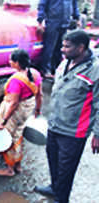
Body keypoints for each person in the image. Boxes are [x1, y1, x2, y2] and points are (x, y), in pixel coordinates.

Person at [34, 30, 99, 203]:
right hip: (55, 123)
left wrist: (97, 134)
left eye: (67, 46)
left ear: (81, 47)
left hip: (74, 131)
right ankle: (54, 188)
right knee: (53, 159)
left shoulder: (95, 71)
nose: (62, 49)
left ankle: (61, 199)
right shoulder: (64, 63)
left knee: (66, 169)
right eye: (62, 45)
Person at [0, 49, 42, 176]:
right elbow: (39, 94)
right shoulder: (35, 73)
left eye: (11, 60)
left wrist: (3, 121)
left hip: (15, 110)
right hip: (27, 108)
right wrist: (37, 109)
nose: (9, 62)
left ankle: (9, 169)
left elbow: (14, 103)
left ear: (17, 63)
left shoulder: (16, 80)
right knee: (18, 135)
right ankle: (18, 164)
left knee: (7, 136)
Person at [37, 0, 80, 78]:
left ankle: (56, 70)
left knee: (60, 49)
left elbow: (74, 5)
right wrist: (40, 22)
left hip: (65, 23)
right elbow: (42, 5)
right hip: (52, 22)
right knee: (49, 48)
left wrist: (77, 18)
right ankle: (45, 70)